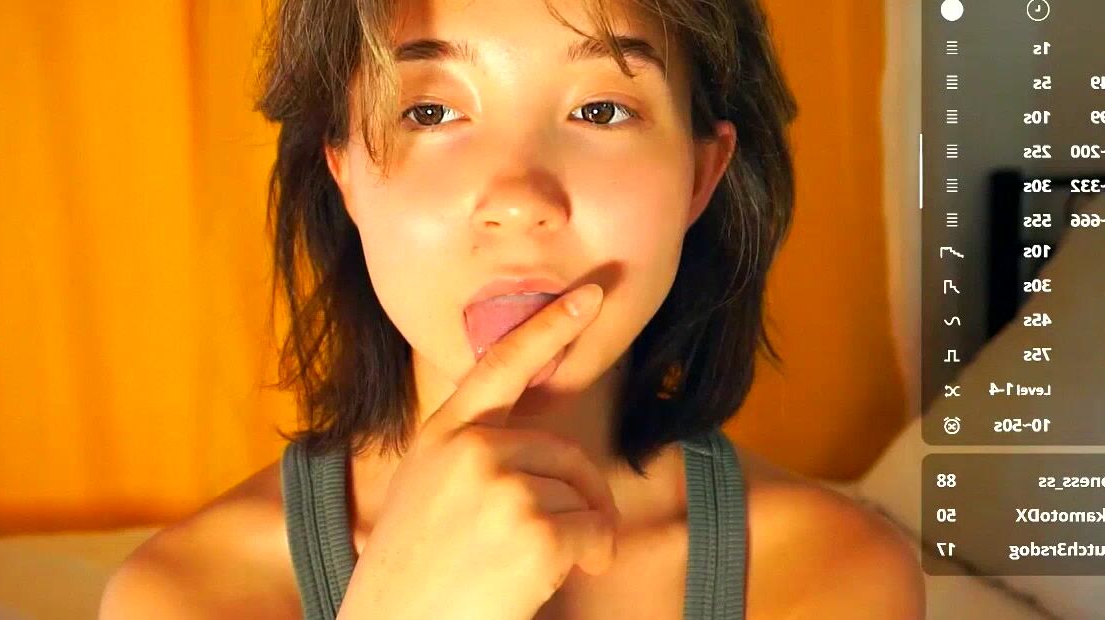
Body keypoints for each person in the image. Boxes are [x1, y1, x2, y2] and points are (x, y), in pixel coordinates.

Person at [101, 0, 925, 617]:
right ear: (344, 174)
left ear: (701, 177)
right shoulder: (184, 596)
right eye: (430, 112)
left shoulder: (830, 574)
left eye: (601, 110)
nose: (519, 200)